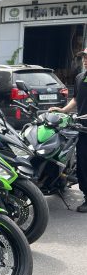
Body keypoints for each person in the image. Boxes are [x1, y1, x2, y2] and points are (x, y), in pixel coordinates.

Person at [50, 47, 87, 213]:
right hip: (82, 128)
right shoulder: (80, 77)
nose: (85, 60)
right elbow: (76, 99)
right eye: (84, 57)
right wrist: (63, 110)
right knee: (83, 164)